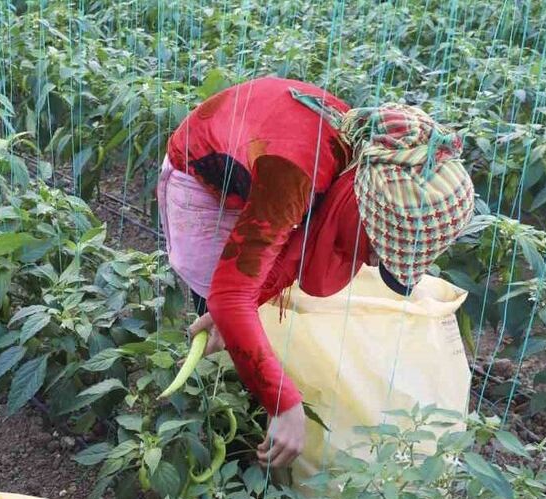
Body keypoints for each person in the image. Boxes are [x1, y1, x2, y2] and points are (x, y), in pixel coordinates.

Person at [158, 77, 475, 468]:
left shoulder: (365, 158)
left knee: (238, 313)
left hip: (266, 171)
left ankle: (240, 403)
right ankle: (214, 447)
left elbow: (293, 247)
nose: (375, 262)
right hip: (204, 179)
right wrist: (283, 402)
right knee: (220, 302)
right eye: (379, 246)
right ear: (366, 205)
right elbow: (231, 293)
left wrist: (245, 304)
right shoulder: (294, 173)